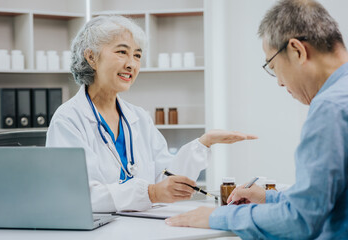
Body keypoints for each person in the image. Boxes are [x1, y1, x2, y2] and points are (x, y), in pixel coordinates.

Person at [165, 0, 348, 239]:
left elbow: (300, 220)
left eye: (273, 67)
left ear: (297, 51)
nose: (280, 82)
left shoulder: (330, 108)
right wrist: (269, 197)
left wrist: (215, 217)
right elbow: (328, 198)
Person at [46, 15, 257, 213]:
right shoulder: (69, 120)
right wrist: (150, 193)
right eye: (122, 52)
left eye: (137, 55)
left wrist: (203, 143)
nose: (132, 64)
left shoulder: (137, 117)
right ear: (91, 57)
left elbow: (165, 176)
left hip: (143, 225)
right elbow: (78, 194)